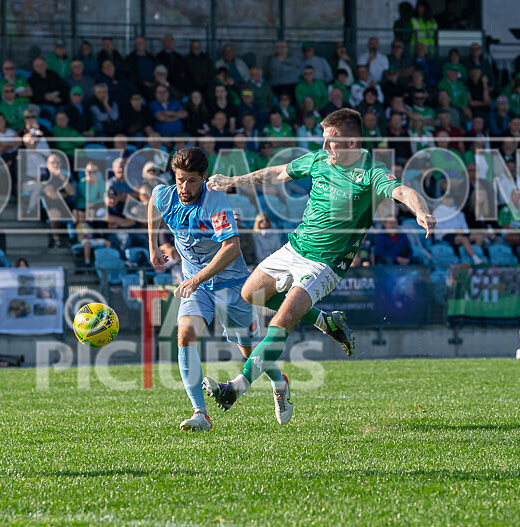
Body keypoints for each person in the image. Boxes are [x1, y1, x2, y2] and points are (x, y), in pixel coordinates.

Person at [203, 108, 436, 413]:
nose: (325, 148)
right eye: (324, 140)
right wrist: (234, 179)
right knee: (249, 293)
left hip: (325, 265)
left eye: (332, 141)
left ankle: (235, 388)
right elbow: (277, 173)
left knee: (281, 320)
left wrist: (420, 211)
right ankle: (323, 320)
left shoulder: (371, 172)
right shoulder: (318, 160)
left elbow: (402, 190)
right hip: (295, 248)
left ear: (352, 143)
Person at [148, 146, 286, 431]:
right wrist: (152, 246)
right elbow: (153, 201)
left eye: (192, 180)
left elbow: (232, 248)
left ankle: (280, 382)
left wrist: (197, 278)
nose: (184, 187)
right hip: (195, 286)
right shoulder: (167, 196)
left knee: (249, 354)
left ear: (204, 177)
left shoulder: (216, 203)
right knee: (185, 334)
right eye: (180, 179)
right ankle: (200, 413)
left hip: (232, 287)